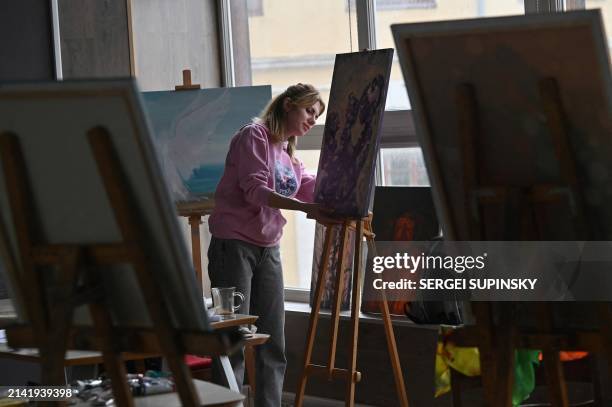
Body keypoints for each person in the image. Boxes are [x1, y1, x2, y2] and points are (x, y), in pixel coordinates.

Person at [207, 83, 326, 407]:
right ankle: (226, 403)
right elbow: (255, 191)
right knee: (233, 338)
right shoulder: (254, 135)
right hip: (233, 245)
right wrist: (304, 208)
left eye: (317, 116)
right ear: (288, 105)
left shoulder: (288, 153)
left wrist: (343, 188)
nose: (313, 120)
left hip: (268, 248)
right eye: (309, 111)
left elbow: (305, 186)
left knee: (273, 340)